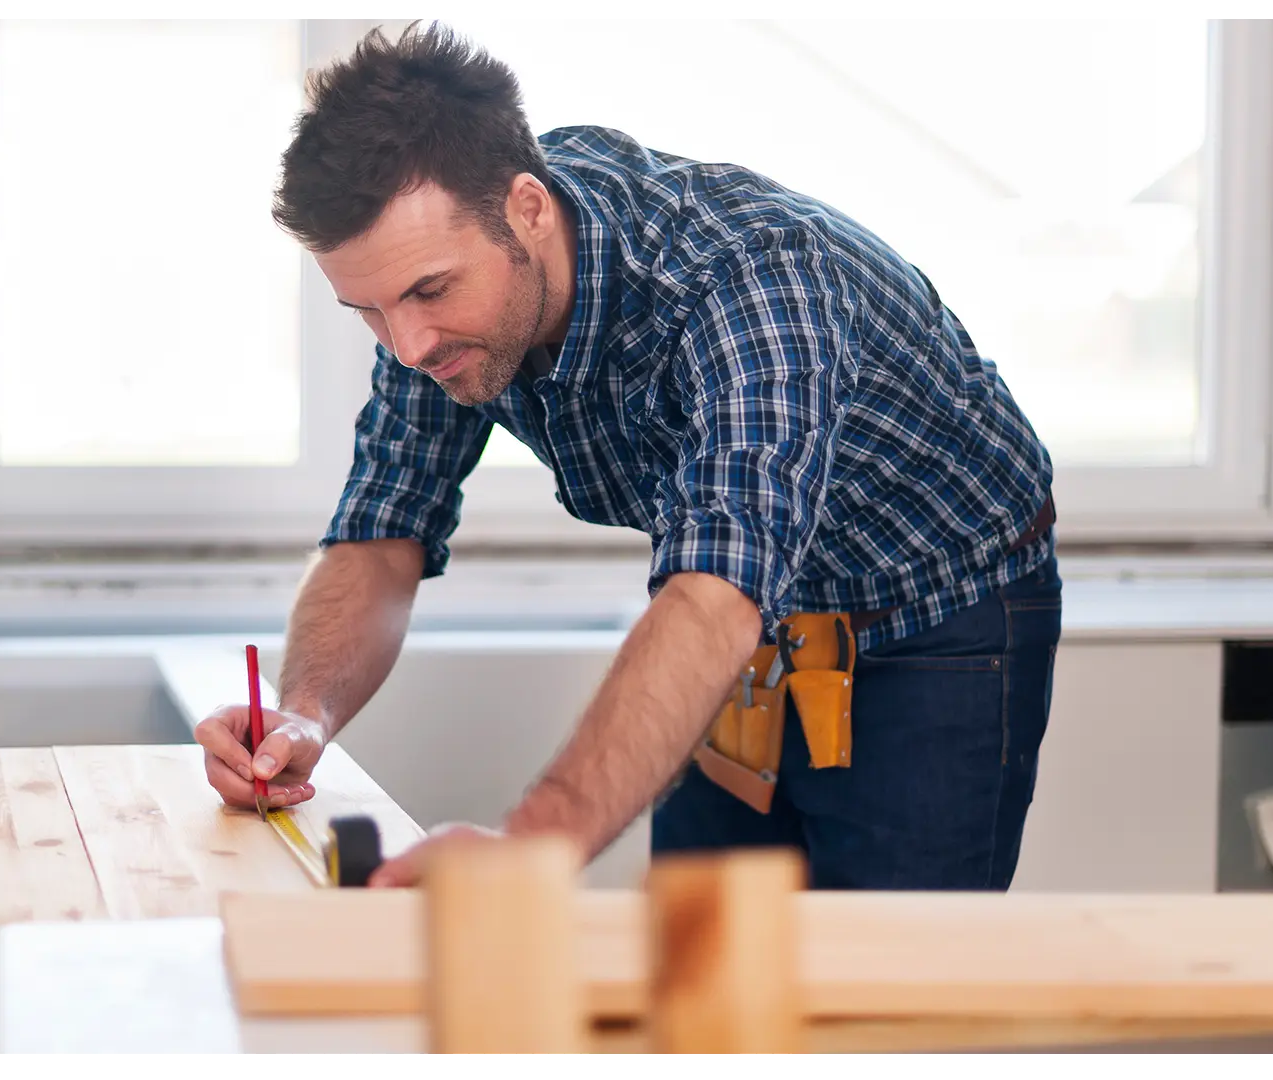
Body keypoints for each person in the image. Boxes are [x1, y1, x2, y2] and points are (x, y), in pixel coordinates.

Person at [193, 21, 1062, 891]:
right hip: (749, 636)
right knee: (694, 970)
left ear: (528, 210)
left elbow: (719, 592)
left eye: (429, 291)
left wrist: (535, 842)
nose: (408, 344)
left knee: (884, 996)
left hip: (932, 613)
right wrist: (301, 717)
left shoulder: (750, 278)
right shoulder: (438, 290)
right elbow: (384, 527)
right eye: (371, 311)